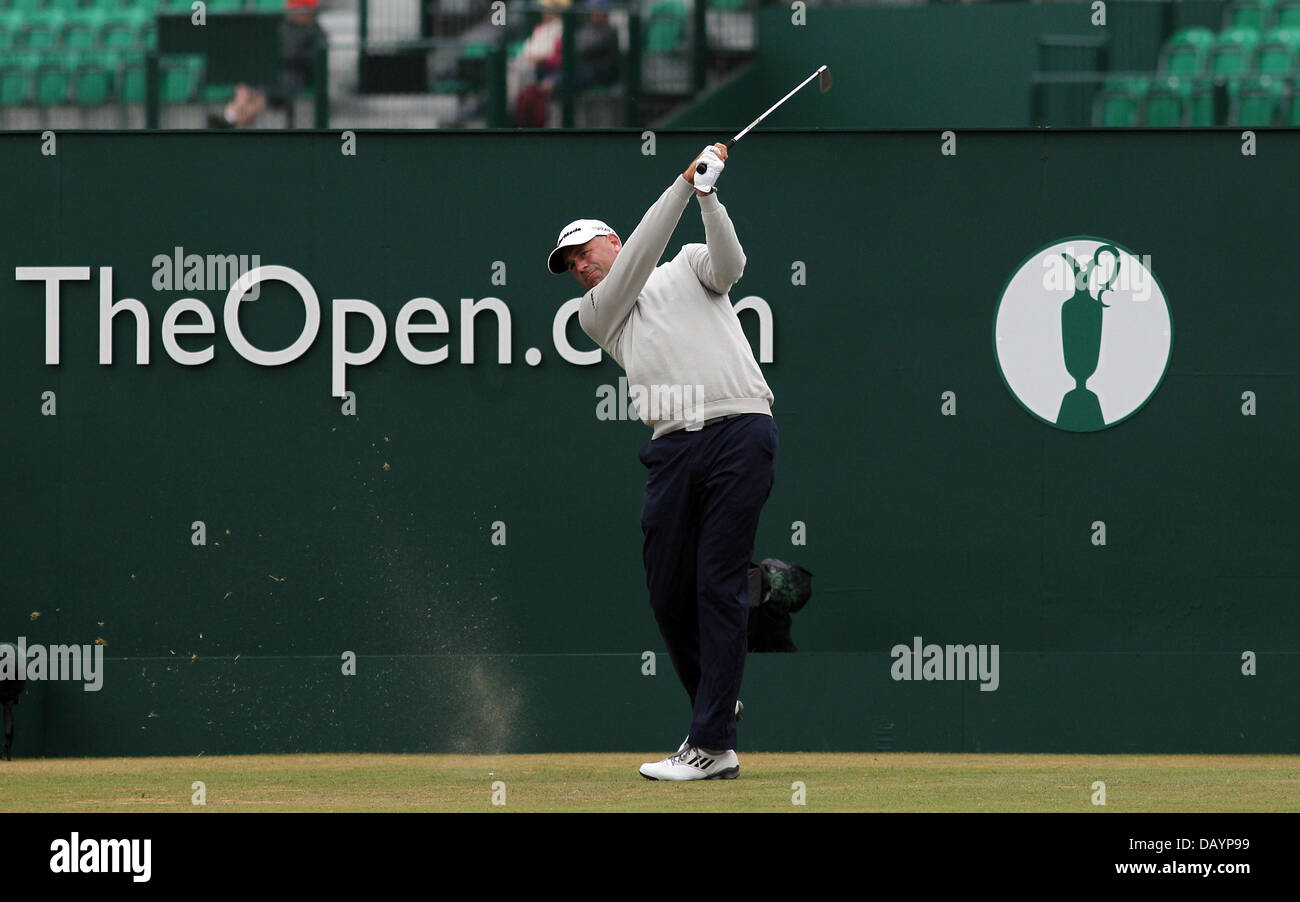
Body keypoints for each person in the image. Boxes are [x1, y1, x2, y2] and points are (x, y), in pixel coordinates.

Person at [547, 144, 778, 781]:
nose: (582, 271)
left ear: (611, 241)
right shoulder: (597, 313)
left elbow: (731, 265)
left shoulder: (686, 267)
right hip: (673, 445)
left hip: (740, 427)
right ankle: (715, 706)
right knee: (668, 591)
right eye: (571, 267)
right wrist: (681, 187)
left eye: (585, 255)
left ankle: (710, 743)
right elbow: (641, 256)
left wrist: (707, 196)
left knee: (716, 583)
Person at [207, 0, 325, 129]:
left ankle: (231, 122)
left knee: (262, 97)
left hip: (293, 77)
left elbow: (305, 61)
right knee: (245, 87)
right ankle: (230, 118)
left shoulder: (315, 33)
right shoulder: (284, 27)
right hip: (274, 70)